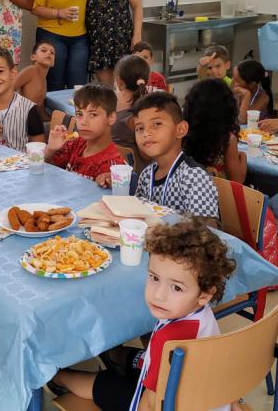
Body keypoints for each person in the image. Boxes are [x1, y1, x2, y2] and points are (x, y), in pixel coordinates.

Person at [50, 218, 236, 411]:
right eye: (155, 278)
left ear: (205, 294)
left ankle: (60, 377)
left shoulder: (168, 340)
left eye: (176, 287)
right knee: (142, 358)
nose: (158, 295)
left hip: (168, 403)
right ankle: (115, 356)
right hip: (200, 393)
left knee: (108, 383)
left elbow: (150, 403)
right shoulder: (202, 313)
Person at [132, 92, 219, 224]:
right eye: (139, 128)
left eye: (157, 124)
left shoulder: (193, 176)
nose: (146, 133)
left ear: (181, 129)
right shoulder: (146, 175)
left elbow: (206, 230)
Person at [45, 83, 125, 187]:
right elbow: (52, 173)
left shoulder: (112, 165)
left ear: (111, 118)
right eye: (79, 114)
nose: (83, 122)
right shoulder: (76, 144)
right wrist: (50, 150)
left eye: (93, 115)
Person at [183, 79, 247, 183]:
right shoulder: (227, 138)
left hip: (187, 185)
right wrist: (243, 157)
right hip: (218, 193)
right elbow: (238, 179)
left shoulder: (183, 130)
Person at [113, 55, 149, 150]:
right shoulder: (149, 106)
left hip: (111, 160)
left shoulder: (108, 100)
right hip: (138, 162)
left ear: (119, 81)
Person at [14, 41, 56, 121]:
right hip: (20, 120)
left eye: (52, 52)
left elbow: (40, 109)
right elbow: (8, 90)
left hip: (33, 121)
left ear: (53, 62)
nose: (49, 53)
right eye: (43, 50)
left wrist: (52, 122)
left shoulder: (43, 79)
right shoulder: (31, 70)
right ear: (33, 57)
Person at [232, 59, 273, 124]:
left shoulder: (263, 98)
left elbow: (242, 120)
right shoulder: (236, 90)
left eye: (237, 80)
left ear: (252, 84)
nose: (232, 82)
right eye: (233, 77)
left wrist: (247, 95)